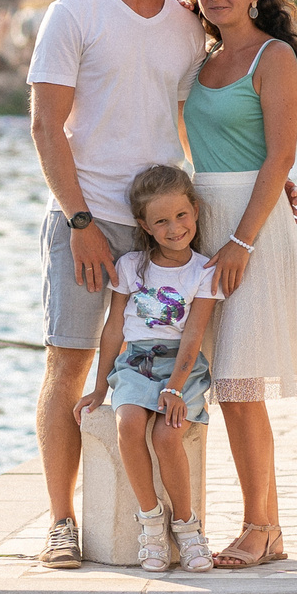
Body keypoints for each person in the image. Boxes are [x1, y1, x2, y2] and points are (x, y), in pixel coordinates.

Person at [25, 0, 207, 568]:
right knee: (68, 364)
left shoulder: (188, 26)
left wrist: (273, 182)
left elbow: (202, 117)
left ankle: (168, 522)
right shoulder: (74, 14)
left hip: (164, 228)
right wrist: (79, 221)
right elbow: (46, 125)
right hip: (86, 216)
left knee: (165, 364)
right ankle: (61, 522)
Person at [178, 0, 297, 570]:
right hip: (204, 220)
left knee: (240, 383)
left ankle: (259, 527)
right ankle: (267, 527)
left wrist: (243, 238)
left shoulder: (270, 57)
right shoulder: (200, 60)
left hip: (251, 229)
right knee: (228, 381)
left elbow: (281, 156)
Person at [77, 164, 218, 572]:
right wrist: (100, 387)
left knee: (168, 436)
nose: (174, 227)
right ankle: (151, 522)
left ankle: (188, 528)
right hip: (136, 363)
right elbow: (113, 329)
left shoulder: (204, 271)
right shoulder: (130, 267)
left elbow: (193, 338)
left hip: (182, 368)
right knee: (129, 425)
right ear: (145, 225)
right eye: (161, 221)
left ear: (194, 210)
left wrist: (175, 388)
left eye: (181, 215)